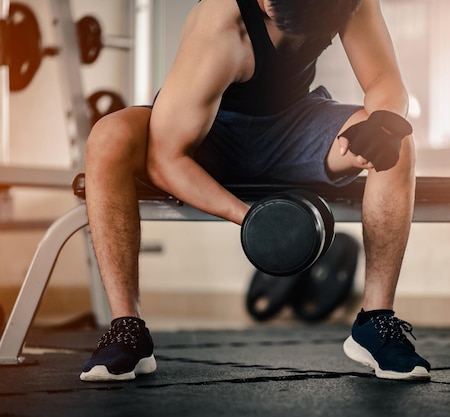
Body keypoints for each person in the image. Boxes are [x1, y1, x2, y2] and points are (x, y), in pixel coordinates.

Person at [80, 0, 431, 382]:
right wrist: (251, 218)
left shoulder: (348, 2)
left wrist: (381, 122)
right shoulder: (221, 20)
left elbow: (384, 80)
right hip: (206, 136)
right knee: (107, 138)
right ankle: (127, 327)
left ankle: (375, 323)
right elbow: (165, 158)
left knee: (397, 139)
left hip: (293, 128)